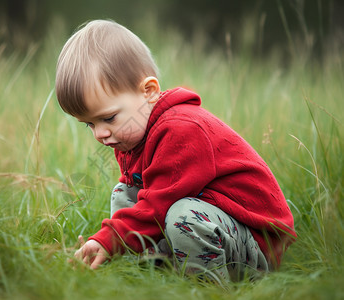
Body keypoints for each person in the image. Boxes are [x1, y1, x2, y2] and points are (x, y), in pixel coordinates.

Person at [55, 19, 296, 281]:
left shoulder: (181, 130)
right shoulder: (130, 136)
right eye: (89, 124)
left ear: (148, 91)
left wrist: (109, 239)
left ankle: (207, 289)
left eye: (109, 118)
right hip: (214, 224)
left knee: (182, 216)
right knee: (124, 193)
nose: (99, 133)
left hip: (257, 244)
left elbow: (160, 205)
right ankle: (150, 275)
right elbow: (147, 202)